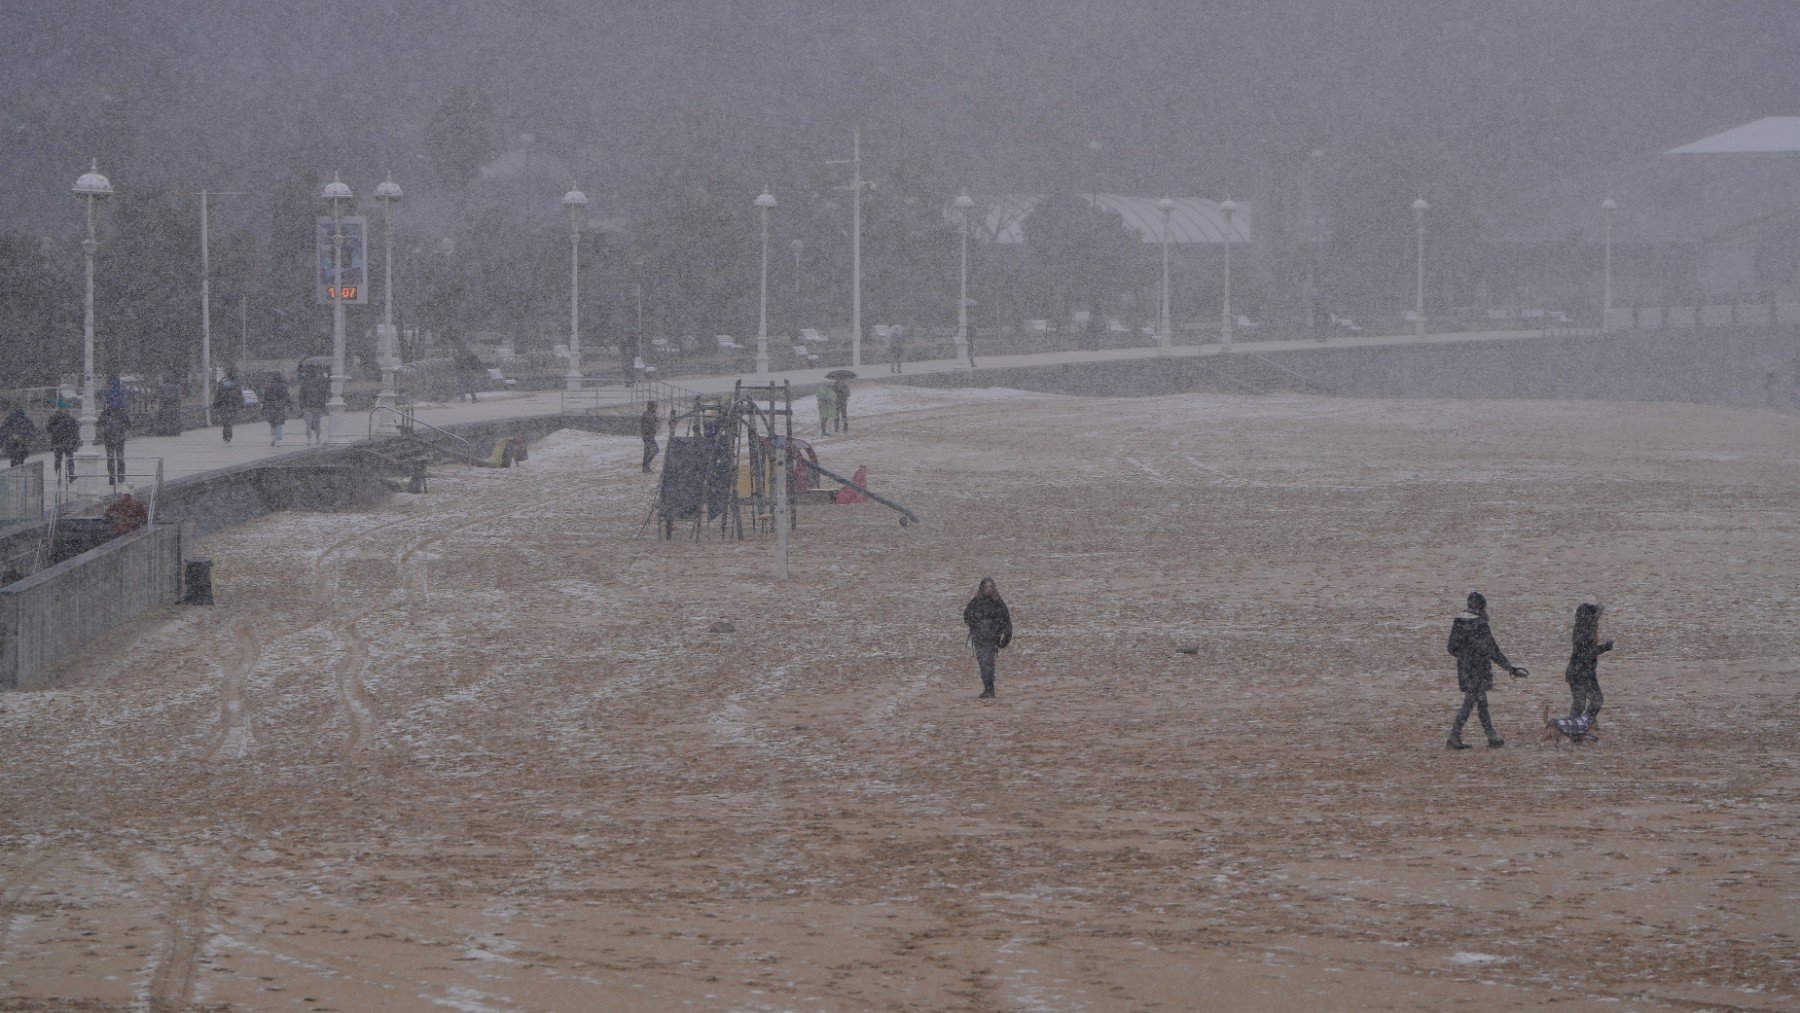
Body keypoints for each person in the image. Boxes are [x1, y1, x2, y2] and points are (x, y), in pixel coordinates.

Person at [1446, 591, 1528, 749]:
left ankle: (1492, 737)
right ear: (1481, 607)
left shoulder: (1458, 622)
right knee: (1471, 702)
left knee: (1480, 702)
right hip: (1478, 670)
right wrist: (1509, 668)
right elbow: (1492, 650)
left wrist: (1465, 656)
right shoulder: (1480, 624)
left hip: (1464, 669)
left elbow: (1451, 648)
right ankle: (1454, 737)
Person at [962, 577, 1014, 699]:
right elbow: (966, 615)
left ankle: (989, 689)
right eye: (986, 587)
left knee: (988, 663)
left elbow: (1006, 619)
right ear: (982, 588)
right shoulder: (976, 601)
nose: (989, 589)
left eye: (991, 587)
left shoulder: (998, 602)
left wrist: (1006, 636)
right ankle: (988, 688)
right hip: (979, 639)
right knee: (983, 663)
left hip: (992, 638)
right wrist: (976, 624)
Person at [1564, 603, 1614, 723]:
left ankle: (1577, 727)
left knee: (1580, 703)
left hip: (1579, 672)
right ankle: (1581, 726)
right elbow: (1587, 653)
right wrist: (1605, 647)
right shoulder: (1584, 631)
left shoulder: (1583, 628)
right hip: (1581, 673)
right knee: (1596, 701)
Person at [46, 399, 79, 483]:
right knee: (70, 459)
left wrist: (55, 430)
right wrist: (75, 441)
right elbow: (76, 430)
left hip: (57, 443)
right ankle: (71, 476)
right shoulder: (70, 418)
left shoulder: (54, 418)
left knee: (58, 460)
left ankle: (58, 477)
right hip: (68, 443)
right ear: (64, 409)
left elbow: (48, 429)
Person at [98, 401, 129, 487]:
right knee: (119, 458)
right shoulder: (121, 412)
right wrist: (121, 430)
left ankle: (112, 477)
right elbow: (128, 424)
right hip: (119, 439)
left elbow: (100, 424)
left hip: (109, 439)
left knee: (111, 458)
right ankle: (120, 476)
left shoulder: (105, 413)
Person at [297, 368, 329, 446]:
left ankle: (309, 439)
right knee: (317, 423)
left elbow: (301, 395)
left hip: (306, 406)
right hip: (317, 405)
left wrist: (301, 405)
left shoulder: (305, 382)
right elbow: (323, 393)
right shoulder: (320, 381)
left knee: (308, 423)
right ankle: (317, 439)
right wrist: (322, 404)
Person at [261, 373, 291, 446]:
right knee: (279, 424)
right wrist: (289, 405)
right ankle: (278, 440)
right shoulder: (283, 387)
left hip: (270, 407)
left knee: (272, 423)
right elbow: (287, 397)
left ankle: (274, 436)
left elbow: (265, 398)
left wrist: (264, 408)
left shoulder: (269, 387)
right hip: (280, 407)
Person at [213, 374, 244, 444]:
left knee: (226, 422)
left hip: (224, 406)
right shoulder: (236, 386)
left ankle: (226, 436)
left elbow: (218, 397)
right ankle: (228, 436)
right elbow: (240, 397)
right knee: (230, 422)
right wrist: (241, 404)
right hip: (234, 406)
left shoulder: (222, 386)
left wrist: (215, 405)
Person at [640, 400, 660, 472]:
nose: (655, 409)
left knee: (647, 452)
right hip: (648, 436)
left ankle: (645, 467)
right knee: (655, 450)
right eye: (654, 407)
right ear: (650, 407)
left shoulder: (651, 415)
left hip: (648, 436)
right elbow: (646, 427)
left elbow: (654, 424)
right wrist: (650, 432)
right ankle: (646, 465)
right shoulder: (647, 415)